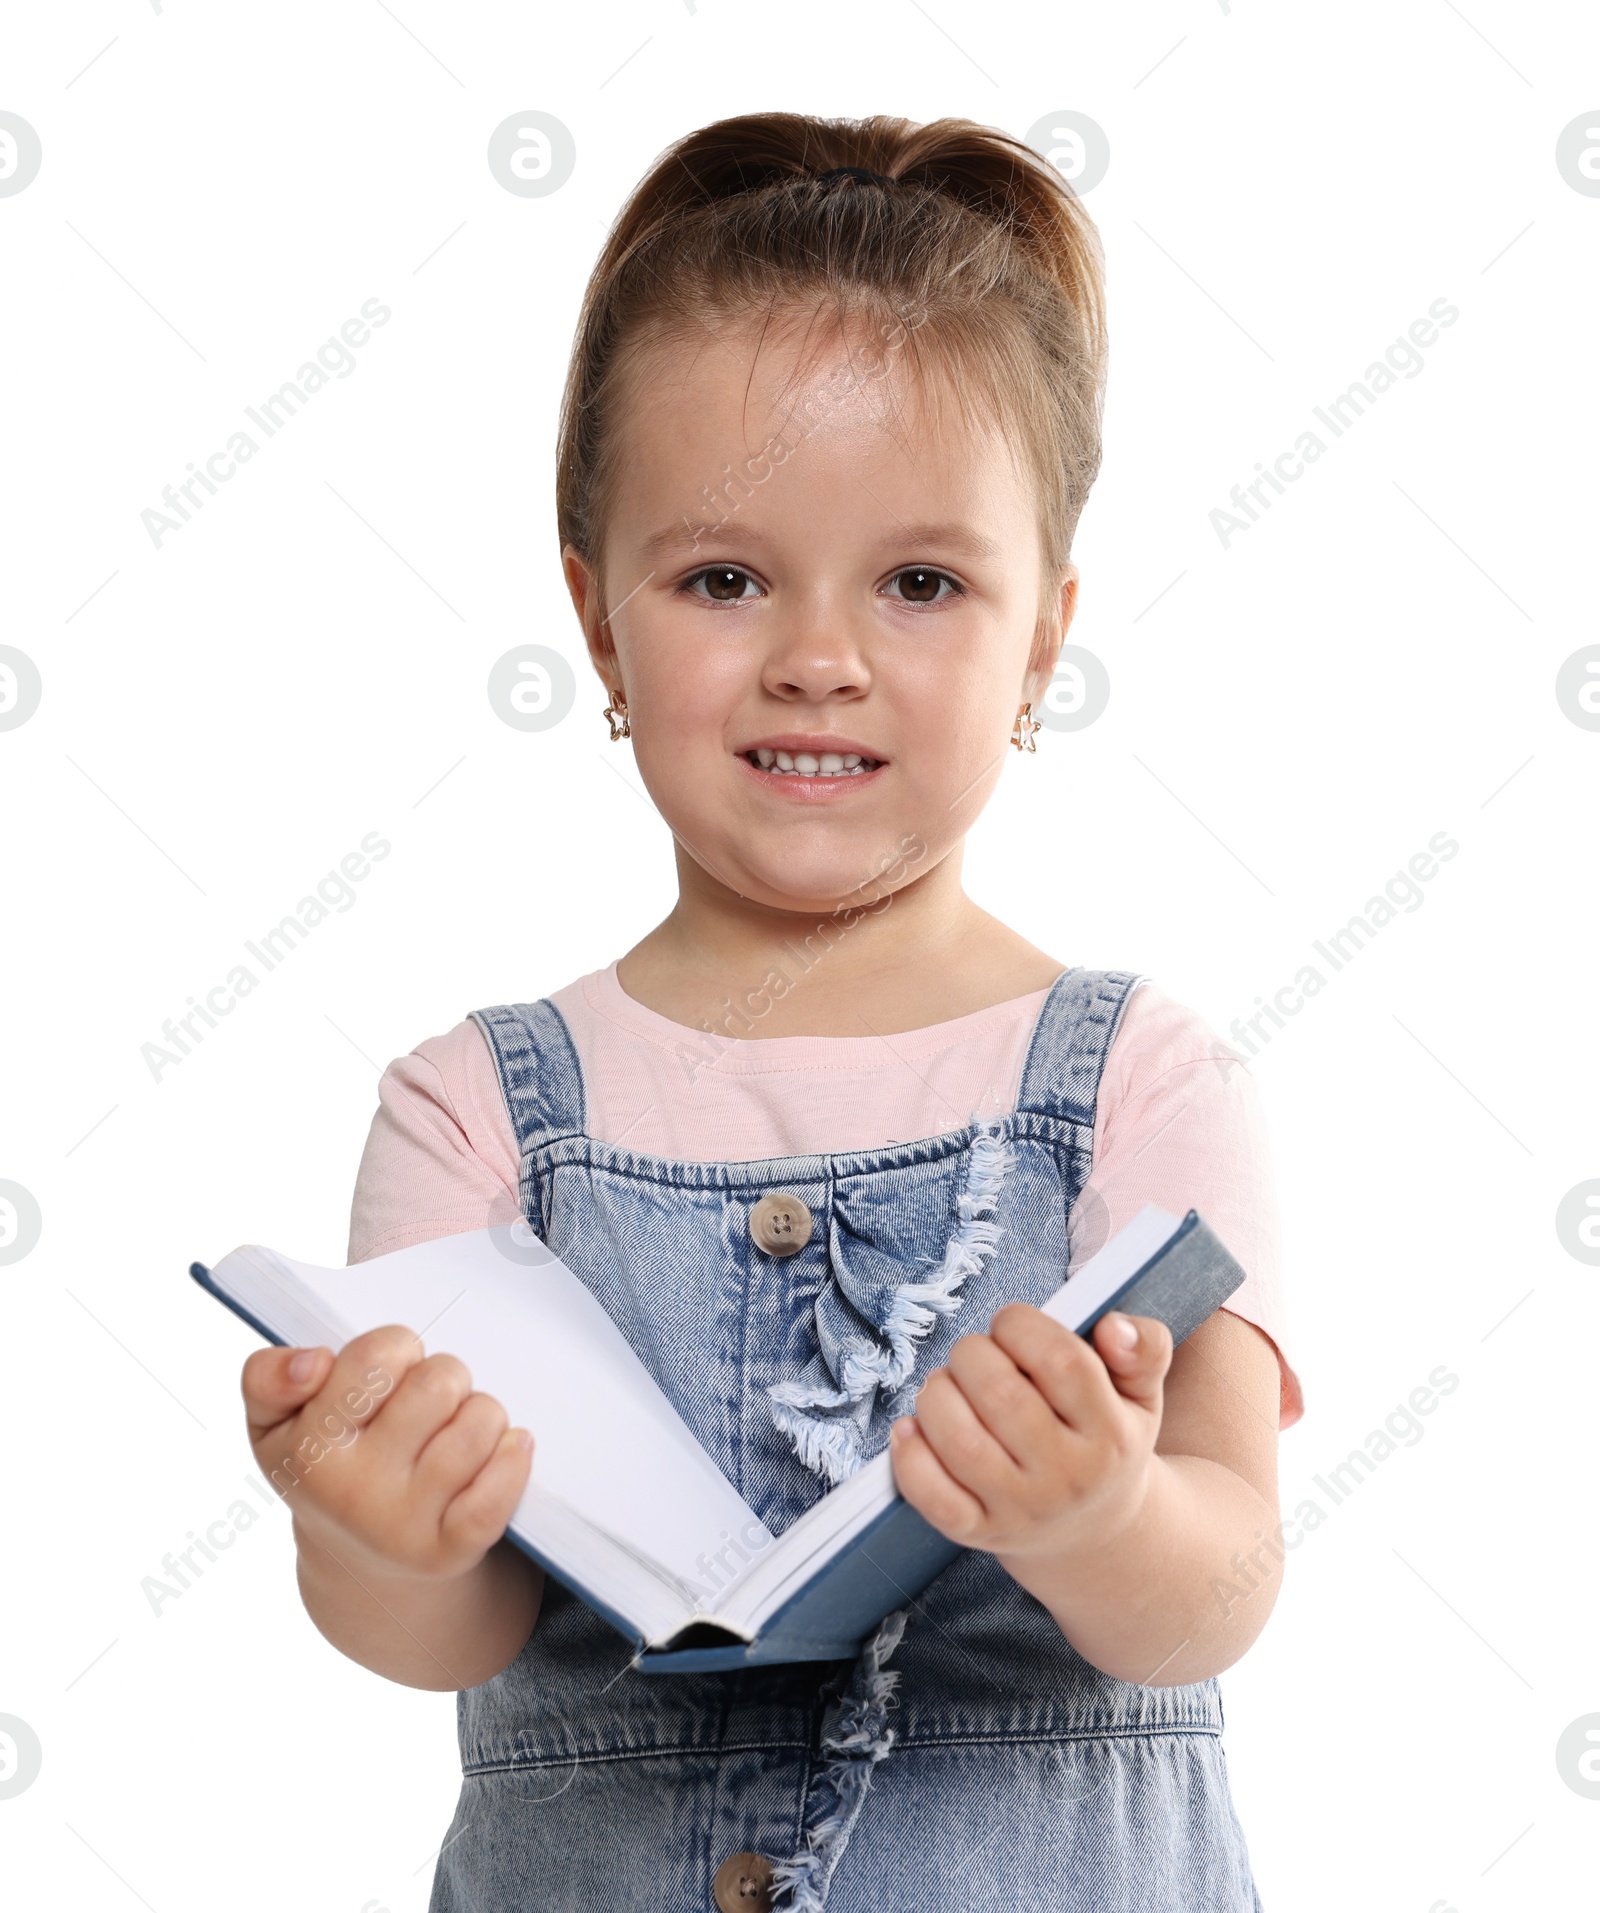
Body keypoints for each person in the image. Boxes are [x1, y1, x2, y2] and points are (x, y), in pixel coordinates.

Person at [240, 111, 1304, 1912]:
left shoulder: (1146, 1080)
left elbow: (1223, 1586)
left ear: (1044, 635)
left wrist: (1101, 1516)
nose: (821, 652)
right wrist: (367, 1533)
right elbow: (448, 1627)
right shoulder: (473, 1112)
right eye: (725, 578)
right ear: (598, 622)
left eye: (921, 582)